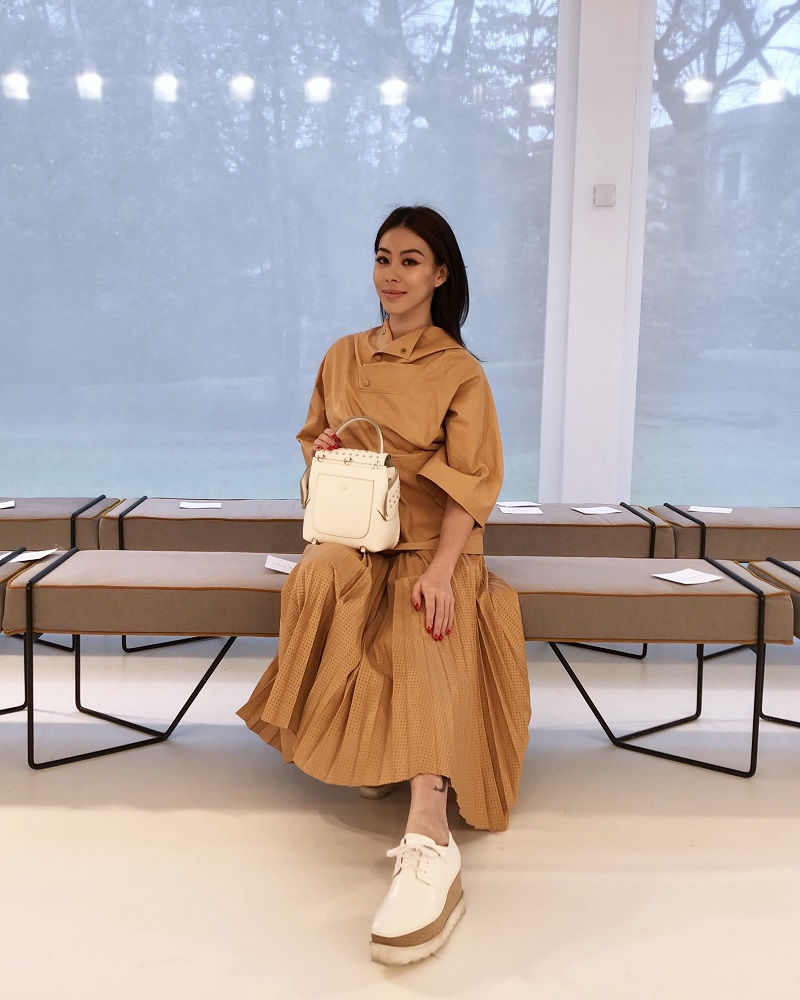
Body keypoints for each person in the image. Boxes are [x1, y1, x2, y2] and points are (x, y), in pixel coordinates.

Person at [238, 205, 531, 965]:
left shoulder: (460, 372)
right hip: (358, 537)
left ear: (440, 274)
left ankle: (429, 830)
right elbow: (314, 444)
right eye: (382, 258)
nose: (391, 275)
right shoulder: (342, 355)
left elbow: (472, 483)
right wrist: (330, 448)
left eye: (409, 261)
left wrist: (442, 572)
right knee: (315, 580)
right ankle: (369, 748)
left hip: (434, 545)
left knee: (425, 625)